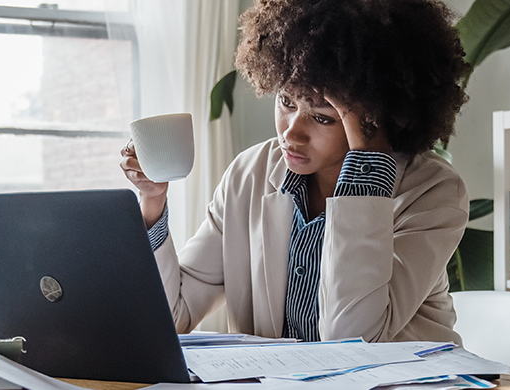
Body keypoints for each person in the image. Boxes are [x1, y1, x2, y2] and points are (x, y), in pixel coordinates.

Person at [120, 0, 470, 344]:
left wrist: (365, 166)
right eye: (287, 102)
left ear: (374, 120)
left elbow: (354, 338)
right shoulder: (249, 174)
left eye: (322, 117)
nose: (291, 132)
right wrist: (152, 203)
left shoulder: (433, 192)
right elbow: (172, 317)